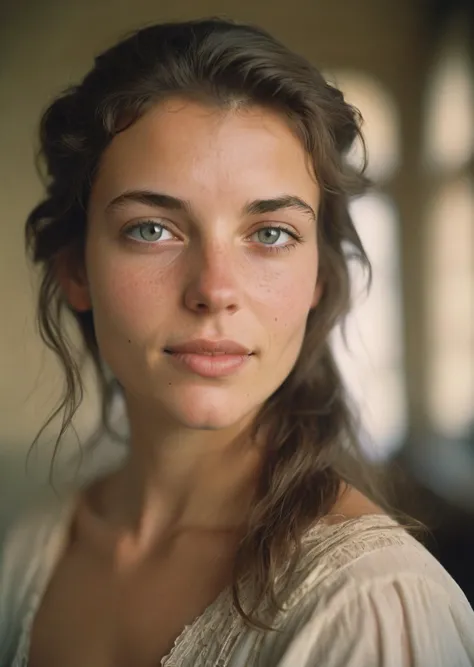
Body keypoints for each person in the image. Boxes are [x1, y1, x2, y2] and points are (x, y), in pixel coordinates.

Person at [0, 16, 473, 667]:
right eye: (152, 229)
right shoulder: (30, 551)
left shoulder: (371, 609)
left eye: (271, 233)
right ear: (75, 270)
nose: (214, 289)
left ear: (316, 280)